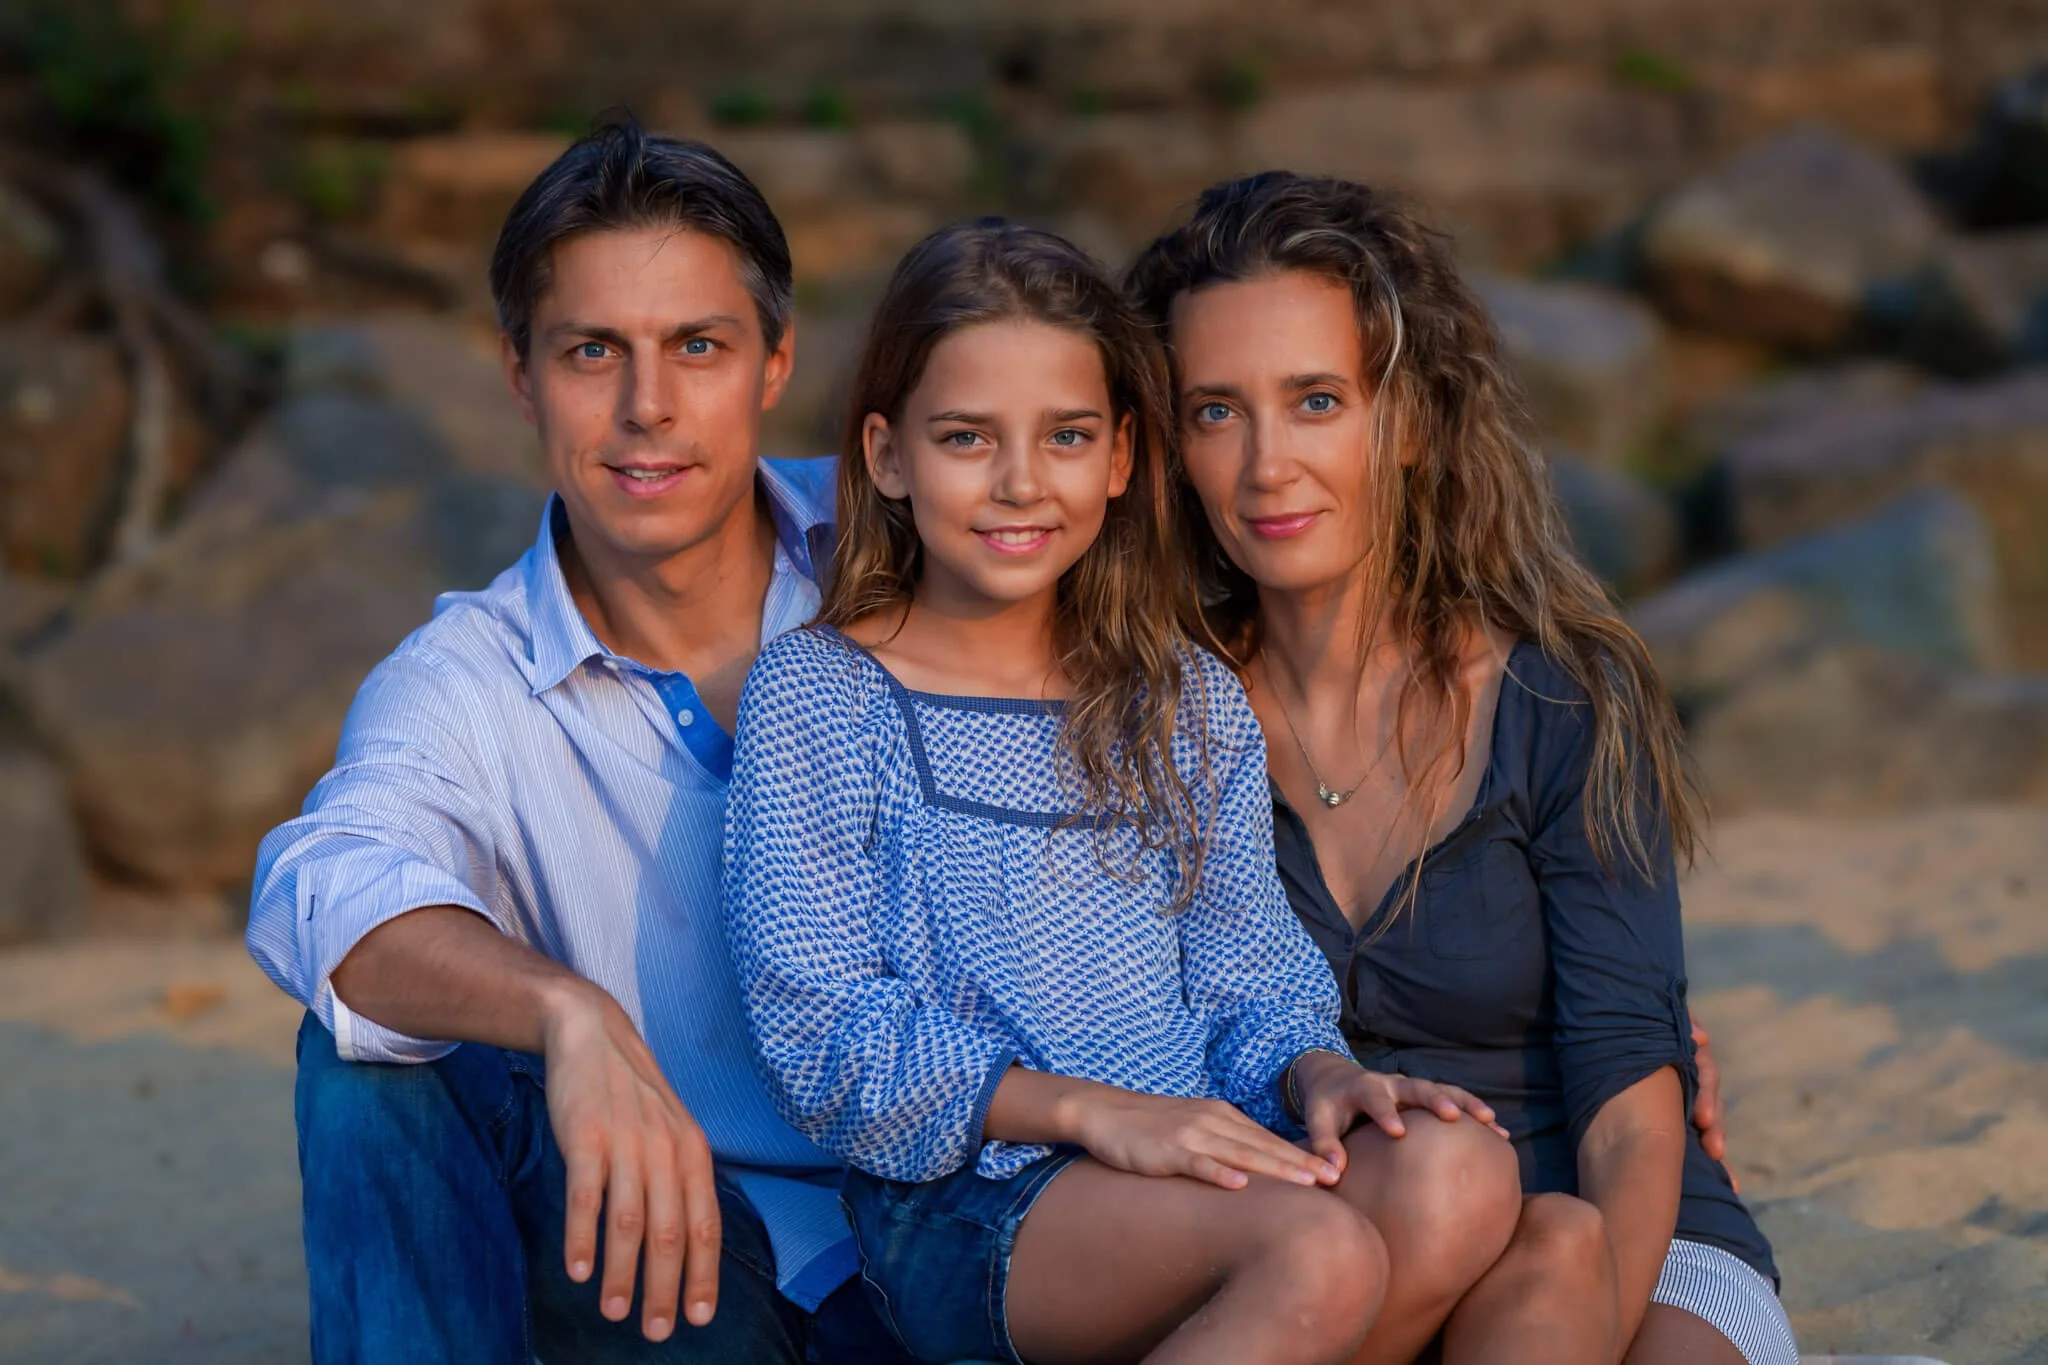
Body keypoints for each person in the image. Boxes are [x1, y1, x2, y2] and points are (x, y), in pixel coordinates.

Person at [722, 219, 1539, 1365]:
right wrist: (1087, 1109)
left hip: (1198, 1147)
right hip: (976, 1195)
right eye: (966, 438)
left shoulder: (1182, 698)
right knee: (1317, 1253)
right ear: (887, 454)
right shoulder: (823, 692)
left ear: (1116, 459)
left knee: (1459, 1172)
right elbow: (818, 1030)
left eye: (1063, 437)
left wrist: (1319, 1072)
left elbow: (1247, 969)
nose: (1018, 482)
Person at [244, 121, 908, 1363]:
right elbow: (323, 883)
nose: (646, 408)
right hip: (668, 1264)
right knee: (376, 1059)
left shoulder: (912, 549)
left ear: (774, 361)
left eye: (696, 348)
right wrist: (567, 1010)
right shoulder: (466, 680)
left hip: (952, 1245)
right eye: (592, 351)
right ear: (520, 374)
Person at [1126, 171, 1798, 1365]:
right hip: (1329, 1240)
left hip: (1610, 1228)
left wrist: (1578, 1316)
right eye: (1215, 411)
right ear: (1167, 448)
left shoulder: (1559, 698)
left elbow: (1634, 1121)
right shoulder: (1149, 720)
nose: (1266, 464)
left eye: (1316, 400)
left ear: (1414, 424)